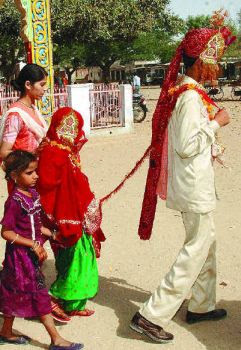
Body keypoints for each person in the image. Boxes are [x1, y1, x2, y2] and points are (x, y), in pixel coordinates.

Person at [130, 10, 236, 343]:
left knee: (208, 242)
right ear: (199, 61)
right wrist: (218, 121)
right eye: (214, 58)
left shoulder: (186, 92)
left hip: (193, 184)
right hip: (193, 187)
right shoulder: (190, 98)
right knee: (196, 247)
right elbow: (189, 146)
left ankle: (201, 304)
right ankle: (150, 315)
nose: (217, 66)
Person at [0, 150, 83, 350]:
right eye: (29, 173)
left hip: (31, 256)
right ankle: (56, 339)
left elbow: (36, 225)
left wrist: (53, 235)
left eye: (35, 171)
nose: (35, 176)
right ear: (14, 176)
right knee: (39, 294)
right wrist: (32, 244)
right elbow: (6, 232)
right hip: (20, 258)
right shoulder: (14, 201)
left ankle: (5, 332)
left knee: (13, 292)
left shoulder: (33, 194)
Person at [37, 107, 105, 323]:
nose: (72, 133)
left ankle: (74, 304)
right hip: (66, 216)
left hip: (72, 213)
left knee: (75, 258)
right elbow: (49, 185)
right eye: (69, 127)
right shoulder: (54, 153)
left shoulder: (57, 150)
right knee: (79, 259)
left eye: (74, 128)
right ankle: (62, 298)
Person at [0, 64, 48, 192]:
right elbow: (4, 152)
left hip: (38, 174)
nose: (45, 89)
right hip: (23, 181)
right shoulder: (15, 115)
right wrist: (34, 152)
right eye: (42, 85)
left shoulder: (33, 109)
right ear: (28, 85)